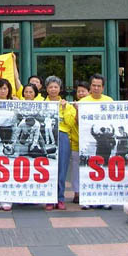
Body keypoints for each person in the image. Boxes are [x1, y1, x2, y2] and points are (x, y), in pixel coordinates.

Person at [44, 75, 77, 210]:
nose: (53, 89)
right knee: (48, 168)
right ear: (46, 89)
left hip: (62, 136)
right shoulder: (41, 103)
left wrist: (63, 109)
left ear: (60, 89)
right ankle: (49, 199)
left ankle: (60, 198)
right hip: (46, 136)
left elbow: (70, 123)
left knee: (62, 168)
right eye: (50, 87)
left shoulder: (67, 105)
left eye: (56, 87)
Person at [0, 78, 16, 211]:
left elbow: (15, 124)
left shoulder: (14, 103)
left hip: (8, 130)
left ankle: (8, 197)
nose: (3, 91)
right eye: (0, 88)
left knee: (9, 167)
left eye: (5, 88)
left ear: (9, 90)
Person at [70, 81, 89, 204]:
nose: (81, 93)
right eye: (79, 91)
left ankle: (89, 192)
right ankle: (77, 193)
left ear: (89, 92)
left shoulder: (93, 105)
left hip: (90, 144)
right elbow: (76, 122)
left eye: (83, 91)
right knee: (76, 169)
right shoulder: (72, 106)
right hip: (76, 142)